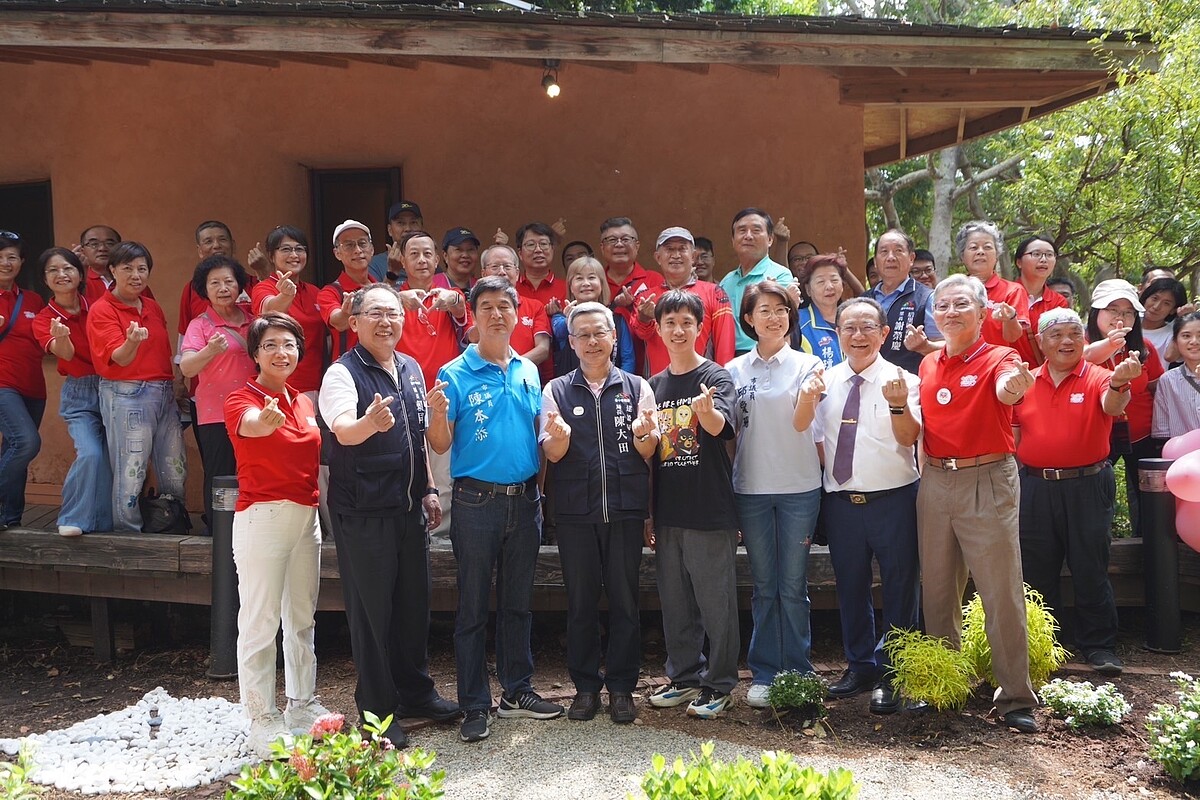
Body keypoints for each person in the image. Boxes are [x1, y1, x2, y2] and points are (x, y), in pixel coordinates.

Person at [318, 284, 459, 748]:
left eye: (393, 313)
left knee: (413, 606)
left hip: (409, 508)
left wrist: (430, 489)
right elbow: (342, 431)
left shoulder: (411, 368)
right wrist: (368, 424)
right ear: (354, 322)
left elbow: (419, 439)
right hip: (364, 511)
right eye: (375, 313)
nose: (386, 322)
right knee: (372, 613)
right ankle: (377, 712)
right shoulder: (342, 373)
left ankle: (415, 692)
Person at [426, 276, 564, 744]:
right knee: (472, 608)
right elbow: (439, 444)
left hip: (524, 501)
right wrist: (437, 415)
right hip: (475, 502)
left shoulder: (528, 371)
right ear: (473, 315)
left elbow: (538, 439)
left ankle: (516, 691)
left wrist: (537, 494)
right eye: (486, 306)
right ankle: (474, 703)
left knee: (517, 604)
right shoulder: (454, 373)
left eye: (504, 305)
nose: (496, 314)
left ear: (516, 313)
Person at [916, 274, 1039, 733]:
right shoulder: (928, 364)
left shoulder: (999, 357)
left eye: (961, 304)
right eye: (942, 305)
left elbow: (1009, 388)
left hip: (987, 478)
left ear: (983, 313)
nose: (950, 312)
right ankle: (945, 685)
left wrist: (1016, 385)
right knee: (938, 589)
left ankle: (1015, 696)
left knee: (999, 590)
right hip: (935, 479)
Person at [541, 301, 658, 724]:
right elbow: (552, 453)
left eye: (599, 333)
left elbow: (649, 450)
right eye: (583, 335)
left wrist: (643, 435)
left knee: (626, 600)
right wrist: (559, 437)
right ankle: (586, 688)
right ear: (571, 343)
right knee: (581, 603)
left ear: (613, 338)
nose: (592, 342)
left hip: (625, 510)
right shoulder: (555, 390)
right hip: (576, 511)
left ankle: (622, 688)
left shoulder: (637, 386)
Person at [225, 312, 331, 758]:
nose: (280, 352)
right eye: (269, 345)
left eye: (288, 344)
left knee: (301, 616)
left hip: (306, 517)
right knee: (261, 620)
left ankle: (301, 705)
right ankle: (261, 717)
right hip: (263, 516)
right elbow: (250, 423)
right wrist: (264, 420)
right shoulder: (241, 398)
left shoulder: (303, 401)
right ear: (255, 353)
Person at [1014, 307, 1140, 678]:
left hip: (1088, 483)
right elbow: (1014, 436)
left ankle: (1099, 644)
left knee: (1090, 566)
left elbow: (1112, 405)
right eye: (1056, 335)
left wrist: (1120, 383)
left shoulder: (1099, 376)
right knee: (1037, 569)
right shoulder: (1025, 381)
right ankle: (1045, 644)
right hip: (1035, 485)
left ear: (1083, 339)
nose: (1066, 341)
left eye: (1073, 333)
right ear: (1041, 342)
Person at [811, 296, 923, 714]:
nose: (858, 335)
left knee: (900, 586)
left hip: (894, 499)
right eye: (849, 328)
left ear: (884, 333)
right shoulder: (824, 382)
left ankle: (895, 673)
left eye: (867, 327)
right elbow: (818, 440)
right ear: (837, 333)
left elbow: (910, 437)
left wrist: (897, 404)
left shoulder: (904, 381)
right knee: (850, 585)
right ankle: (859, 665)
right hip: (842, 502)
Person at [726, 282, 823, 709]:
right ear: (748, 319)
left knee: (793, 584)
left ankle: (799, 671)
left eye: (781, 310)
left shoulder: (808, 364)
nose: (774, 317)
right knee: (764, 585)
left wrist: (808, 395)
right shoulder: (733, 370)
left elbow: (803, 423)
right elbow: (729, 435)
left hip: (800, 486)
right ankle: (765, 672)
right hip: (750, 488)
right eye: (764, 310)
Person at [645, 290, 740, 720]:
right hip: (668, 511)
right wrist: (649, 514)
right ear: (659, 329)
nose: (678, 330)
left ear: (700, 327)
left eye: (687, 322)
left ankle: (719, 683)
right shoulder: (653, 386)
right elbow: (649, 453)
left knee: (715, 603)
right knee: (676, 601)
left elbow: (722, 428)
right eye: (670, 322)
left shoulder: (716, 377)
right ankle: (684, 677)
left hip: (710, 509)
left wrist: (706, 413)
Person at [86, 241, 186, 532]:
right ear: (113, 270)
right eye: (127, 268)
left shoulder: (151, 306)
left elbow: (163, 352)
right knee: (132, 470)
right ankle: (128, 535)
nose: (136, 275)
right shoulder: (102, 309)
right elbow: (118, 357)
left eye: (142, 269)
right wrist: (131, 342)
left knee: (175, 467)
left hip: (163, 392)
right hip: (127, 393)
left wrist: (176, 384)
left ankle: (171, 527)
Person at [33, 247, 112, 536]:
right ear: (44, 279)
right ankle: (73, 517)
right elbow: (64, 354)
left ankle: (104, 523)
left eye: (67, 268)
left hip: (112, 386)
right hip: (79, 392)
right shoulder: (44, 319)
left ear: (80, 274)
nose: (62, 274)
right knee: (90, 453)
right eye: (53, 270)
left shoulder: (98, 304)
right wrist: (62, 336)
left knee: (110, 459)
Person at [180, 255, 255, 536]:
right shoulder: (199, 325)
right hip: (216, 414)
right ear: (204, 289)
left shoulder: (254, 320)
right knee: (221, 474)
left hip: (253, 411)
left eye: (228, 281)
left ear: (239, 285)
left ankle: (249, 530)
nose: (223, 288)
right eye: (215, 283)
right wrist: (209, 350)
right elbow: (187, 367)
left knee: (252, 471)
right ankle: (220, 533)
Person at [1083, 279, 1163, 536]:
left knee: (1149, 499)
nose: (1121, 317)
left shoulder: (1144, 348)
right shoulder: (1078, 343)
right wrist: (1110, 345)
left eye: (1128, 312)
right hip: (1097, 437)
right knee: (1094, 498)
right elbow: (1084, 358)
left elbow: (1155, 386)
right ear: (1096, 312)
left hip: (1141, 434)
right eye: (1113, 309)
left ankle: (1150, 549)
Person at [628, 227, 736, 375]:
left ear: (693, 256)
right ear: (658, 257)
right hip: (658, 385)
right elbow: (640, 337)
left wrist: (723, 380)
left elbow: (725, 345)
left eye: (682, 249)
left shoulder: (714, 293)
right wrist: (644, 318)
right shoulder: (645, 298)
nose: (676, 255)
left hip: (703, 384)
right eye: (669, 249)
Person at [0, 231, 46, 530]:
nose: (5, 262)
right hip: (3, 385)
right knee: (26, 442)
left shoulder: (33, 299)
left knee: (14, 450)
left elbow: (45, 340)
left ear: (22, 261)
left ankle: (10, 518)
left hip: (33, 388)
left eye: (11, 257)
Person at [251, 226, 325, 395]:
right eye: (285, 249)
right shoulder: (264, 287)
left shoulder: (315, 292)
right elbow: (269, 312)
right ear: (271, 256)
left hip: (318, 384)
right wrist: (285, 295)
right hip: (281, 385)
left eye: (299, 249)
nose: (294, 255)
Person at [719, 208, 794, 356]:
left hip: (765, 355)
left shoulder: (780, 275)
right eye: (742, 230)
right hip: (728, 357)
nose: (748, 236)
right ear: (733, 240)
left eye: (756, 230)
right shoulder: (726, 281)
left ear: (770, 239)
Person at [864, 229, 941, 373]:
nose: (891, 257)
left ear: (911, 258)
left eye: (898, 251)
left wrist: (925, 346)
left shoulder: (927, 298)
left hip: (911, 382)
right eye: (884, 252)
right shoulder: (862, 301)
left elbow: (947, 345)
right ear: (875, 261)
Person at [550, 255, 635, 377]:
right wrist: (570, 318)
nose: (586, 283)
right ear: (571, 287)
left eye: (591, 277)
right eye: (579, 278)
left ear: (602, 284)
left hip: (614, 384)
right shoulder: (560, 319)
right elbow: (560, 332)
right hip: (572, 386)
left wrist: (621, 383)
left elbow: (628, 359)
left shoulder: (617, 320)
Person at [956, 221, 1027, 347]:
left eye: (987, 247)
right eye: (973, 247)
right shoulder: (954, 290)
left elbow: (1013, 337)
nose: (980, 252)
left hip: (997, 358)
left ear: (997, 256)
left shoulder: (1013, 291)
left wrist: (1010, 318)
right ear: (962, 256)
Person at [478, 244, 551, 369]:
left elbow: (543, 349)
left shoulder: (535, 306)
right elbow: (473, 338)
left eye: (507, 266)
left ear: (517, 273)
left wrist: (512, 367)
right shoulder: (475, 306)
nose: (502, 272)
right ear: (484, 274)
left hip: (525, 375)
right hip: (485, 375)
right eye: (495, 267)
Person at [598, 217, 655, 375]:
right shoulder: (593, 282)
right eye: (612, 240)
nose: (619, 244)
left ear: (637, 245)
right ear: (602, 247)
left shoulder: (654, 280)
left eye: (625, 239)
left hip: (649, 370)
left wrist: (633, 308)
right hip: (603, 373)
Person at [318, 220, 377, 363]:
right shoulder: (329, 292)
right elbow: (338, 322)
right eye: (349, 245)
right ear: (337, 253)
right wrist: (345, 313)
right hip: (348, 369)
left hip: (383, 366)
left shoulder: (380, 289)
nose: (357, 250)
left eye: (362, 243)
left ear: (372, 249)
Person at [1012, 235, 1070, 366]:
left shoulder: (1058, 302)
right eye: (1036, 254)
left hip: (1041, 374)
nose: (1043, 259)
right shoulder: (1005, 294)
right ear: (1019, 262)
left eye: (1049, 255)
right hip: (1003, 371)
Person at [793, 253, 847, 368]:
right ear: (808, 289)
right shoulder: (797, 322)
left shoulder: (853, 318)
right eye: (821, 282)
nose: (829, 286)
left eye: (834, 280)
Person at [1152, 311, 1200, 439]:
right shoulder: (1168, 380)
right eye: (1186, 336)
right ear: (1175, 341)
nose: (1194, 341)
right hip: (1183, 451)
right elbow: (1162, 431)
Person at [514, 222, 567, 320]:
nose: (538, 250)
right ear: (520, 253)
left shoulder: (567, 288)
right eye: (531, 245)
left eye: (543, 244)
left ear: (552, 249)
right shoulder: (511, 288)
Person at [368, 201, 423, 283]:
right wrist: (392, 272)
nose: (408, 228)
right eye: (400, 223)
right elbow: (375, 291)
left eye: (413, 222)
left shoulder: (428, 262)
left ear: (421, 229)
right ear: (390, 230)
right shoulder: (375, 264)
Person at [1139, 277, 1187, 371]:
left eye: (1166, 303)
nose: (1156, 307)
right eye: (1154, 298)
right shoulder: (1128, 323)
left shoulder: (1171, 335)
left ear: (1173, 310)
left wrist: (1184, 320)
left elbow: (1170, 356)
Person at [75, 224, 125, 302]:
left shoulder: (130, 279)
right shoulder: (78, 281)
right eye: (94, 244)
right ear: (82, 251)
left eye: (109, 244)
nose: (102, 248)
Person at [433, 227, 480, 293]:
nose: (465, 255)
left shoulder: (481, 288)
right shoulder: (432, 285)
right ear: (445, 255)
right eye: (458, 249)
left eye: (471, 249)